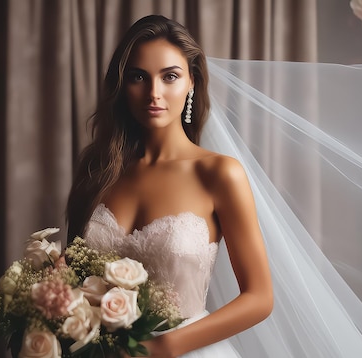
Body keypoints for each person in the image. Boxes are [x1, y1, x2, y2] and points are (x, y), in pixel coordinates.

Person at [66, 15, 273, 357]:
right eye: (138, 77)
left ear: (191, 81)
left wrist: (163, 347)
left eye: (170, 77)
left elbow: (260, 297)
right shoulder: (98, 169)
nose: (153, 93)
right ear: (122, 85)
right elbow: (74, 279)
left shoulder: (219, 173)